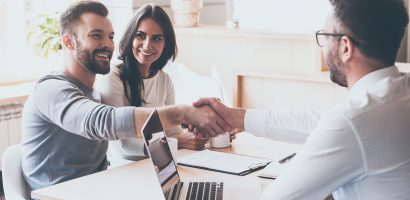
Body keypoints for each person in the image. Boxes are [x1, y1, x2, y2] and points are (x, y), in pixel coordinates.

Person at [193, 0, 410, 199]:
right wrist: (234, 117)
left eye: (325, 36)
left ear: (345, 47)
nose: (323, 45)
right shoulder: (398, 93)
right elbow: (317, 122)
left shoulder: (355, 122)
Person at [21, 1, 229, 191]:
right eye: (96, 35)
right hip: (57, 194)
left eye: (110, 36)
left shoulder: (94, 90)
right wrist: (184, 113)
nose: (107, 44)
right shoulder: (52, 89)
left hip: (99, 187)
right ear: (68, 42)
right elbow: (104, 122)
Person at [96, 4, 208, 162]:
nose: (147, 45)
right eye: (140, 36)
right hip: (125, 169)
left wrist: (200, 135)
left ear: (166, 44)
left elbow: (172, 133)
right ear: (130, 37)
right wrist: (178, 144)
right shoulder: (112, 77)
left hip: (160, 165)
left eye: (156, 38)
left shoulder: (164, 80)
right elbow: (123, 147)